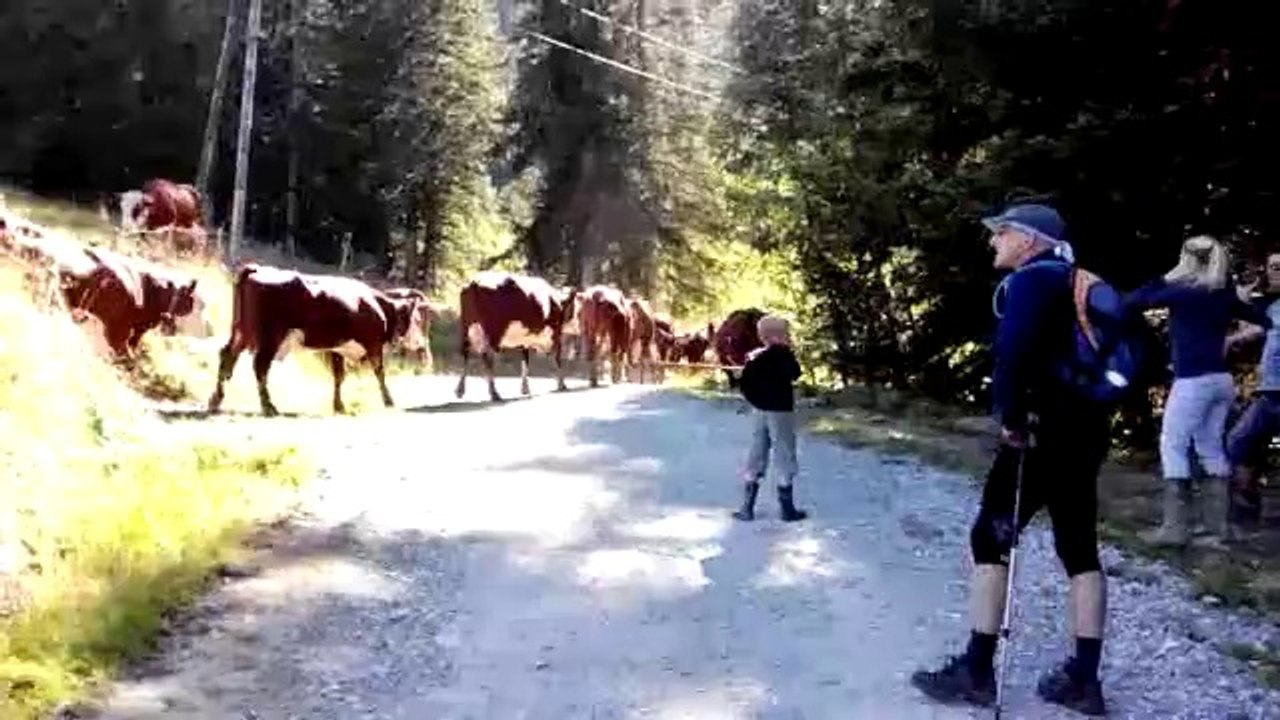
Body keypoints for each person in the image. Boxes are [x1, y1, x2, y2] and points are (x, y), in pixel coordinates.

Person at [910, 203, 1111, 716]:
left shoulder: (1030, 281)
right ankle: (1085, 681)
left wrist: (1012, 419)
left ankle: (976, 671)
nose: (993, 241)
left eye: (1002, 232)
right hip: (1085, 435)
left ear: (1029, 239)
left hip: (1037, 438)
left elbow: (1012, 351)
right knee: (1080, 550)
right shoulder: (1078, 281)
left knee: (989, 539)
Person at [1123, 236, 1270, 547]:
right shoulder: (1222, 293)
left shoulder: (1182, 291)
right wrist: (1244, 299)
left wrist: (1167, 276)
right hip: (1222, 380)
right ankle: (1218, 529)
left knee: (1172, 444)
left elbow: (1133, 302)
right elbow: (1262, 318)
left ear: (1186, 260)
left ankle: (1175, 529)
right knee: (1210, 445)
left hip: (1193, 380)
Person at [731, 314, 807, 522]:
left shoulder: (756, 358)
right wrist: (786, 352)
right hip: (780, 411)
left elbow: (744, 384)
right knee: (784, 454)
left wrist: (755, 400)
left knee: (756, 453)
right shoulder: (783, 356)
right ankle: (787, 509)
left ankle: (747, 508)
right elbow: (795, 373)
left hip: (759, 411)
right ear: (780, 335)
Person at [1224, 251, 1280, 525]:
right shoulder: (1272, 307)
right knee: (1240, 442)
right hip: (1271, 394)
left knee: (1240, 441)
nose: (1276, 272)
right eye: (1273, 268)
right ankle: (1246, 512)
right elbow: (1252, 328)